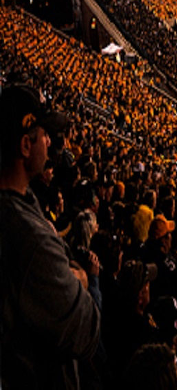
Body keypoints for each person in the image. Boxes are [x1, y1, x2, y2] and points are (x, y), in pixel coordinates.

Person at [0, 85, 101, 389]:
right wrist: (84, 279)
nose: (49, 141)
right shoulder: (30, 239)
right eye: (43, 135)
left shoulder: (23, 201)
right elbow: (88, 331)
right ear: (25, 146)